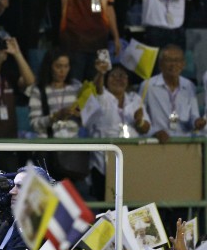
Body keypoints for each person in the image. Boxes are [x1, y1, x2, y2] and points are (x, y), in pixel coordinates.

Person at [85, 61, 149, 194]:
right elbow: (98, 88)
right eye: (114, 75)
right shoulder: (101, 97)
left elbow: (146, 128)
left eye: (123, 76)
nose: (119, 79)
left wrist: (140, 122)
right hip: (103, 164)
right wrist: (101, 73)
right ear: (107, 78)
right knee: (106, 209)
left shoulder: (135, 99)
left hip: (131, 162)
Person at [141, 44, 204, 143]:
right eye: (168, 60)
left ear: (183, 64)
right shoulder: (148, 86)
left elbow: (193, 116)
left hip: (183, 141)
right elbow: (141, 119)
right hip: (157, 142)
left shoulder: (189, 86)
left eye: (177, 60)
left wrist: (196, 122)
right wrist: (155, 132)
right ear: (160, 64)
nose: (173, 64)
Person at [28, 47, 81, 138]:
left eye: (66, 66)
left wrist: (81, 114)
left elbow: (89, 119)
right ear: (49, 67)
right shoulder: (39, 91)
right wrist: (55, 116)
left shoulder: (76, 87)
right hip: (49, 144)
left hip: (73, 144)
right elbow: (35, 125)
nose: (62, 71)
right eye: (58, 66)